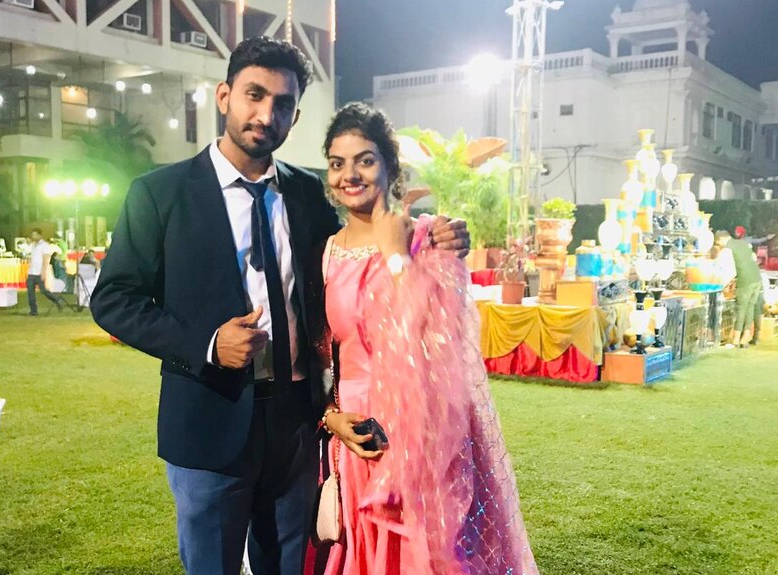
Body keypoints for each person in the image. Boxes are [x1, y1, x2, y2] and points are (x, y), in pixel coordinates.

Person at [89, 36, 469, 575]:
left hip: (295, 428)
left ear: (294, 117)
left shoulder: (307, 194)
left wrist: (435, 236)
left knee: (292, 566)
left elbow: (360, 260)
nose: (266, 113)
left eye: (283, 104)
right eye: (254, 94)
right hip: (209, 421)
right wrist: (207, 343)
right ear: (225, 96)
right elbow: (113, 299)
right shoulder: (160, 194)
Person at [317, 103, 537, 574]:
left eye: (365, 160)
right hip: (357, 440)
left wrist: (396, 255)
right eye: (337, 163)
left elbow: (438, 340)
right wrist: (330, 418)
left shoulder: (428, 239)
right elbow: (321, 352)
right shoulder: (328, 252)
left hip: (422, 439)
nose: (349, 175)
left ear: (390, 167)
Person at [715, 230, 763, 348]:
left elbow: (729, 271)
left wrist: (722, 286)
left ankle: (736, 339)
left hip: (745, 280)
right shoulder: (744, 243)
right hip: (757, 278)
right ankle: (745, 339)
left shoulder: (727, 249)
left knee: (740, 309)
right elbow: (753, 258)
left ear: (720, 239)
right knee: (750, 307)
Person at [26, 228, 64, 316]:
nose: (33, 237)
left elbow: (46, 259)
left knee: (44, 291)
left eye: (35, 235)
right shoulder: (33, 245)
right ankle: (33, 310)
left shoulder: (45, 246)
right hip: (31, 272)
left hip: (39, 272)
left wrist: (44, 272)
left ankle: (57, 300)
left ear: (40, 235)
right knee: (30, 293)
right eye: (33, 235)